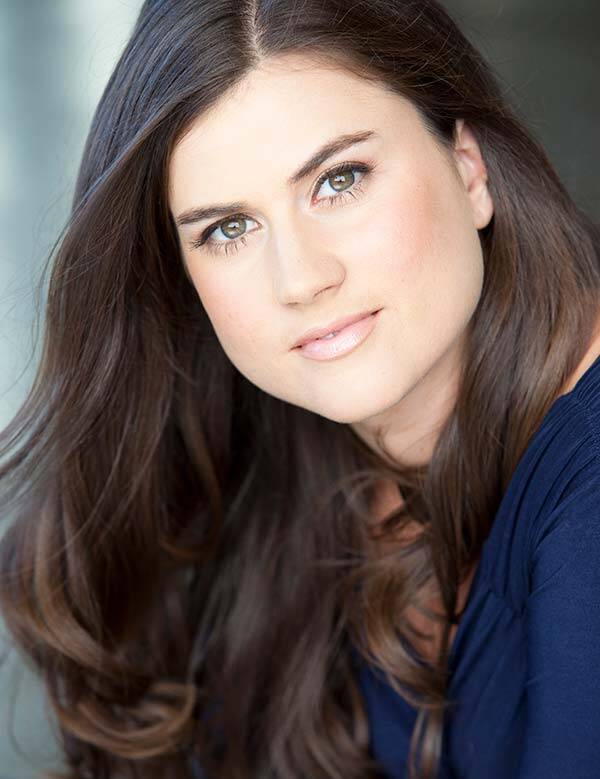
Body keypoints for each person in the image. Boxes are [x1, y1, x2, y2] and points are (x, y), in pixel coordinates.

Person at [1, 0, 599, 777]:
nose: (302, 278)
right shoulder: (263, 460)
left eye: (339, 179)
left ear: (468, 166)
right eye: (228, 229)